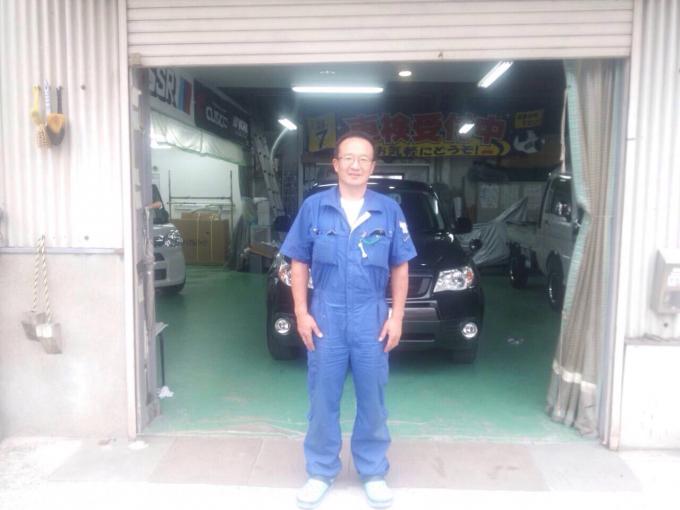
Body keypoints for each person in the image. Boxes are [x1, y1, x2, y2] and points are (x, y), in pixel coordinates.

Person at [280, 132, 417, 509]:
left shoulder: (388, 210)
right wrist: (301, 312)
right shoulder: (314, 208)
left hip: (370, 317)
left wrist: (397, 317)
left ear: (372, 167)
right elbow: (298, 262)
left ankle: (372, 471)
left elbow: (400, 267)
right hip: (326, 317)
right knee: (322, 398)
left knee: (373, 398)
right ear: (336, 164)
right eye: (348, 158)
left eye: (363, 159)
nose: (355, 165)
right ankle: (320, 471)